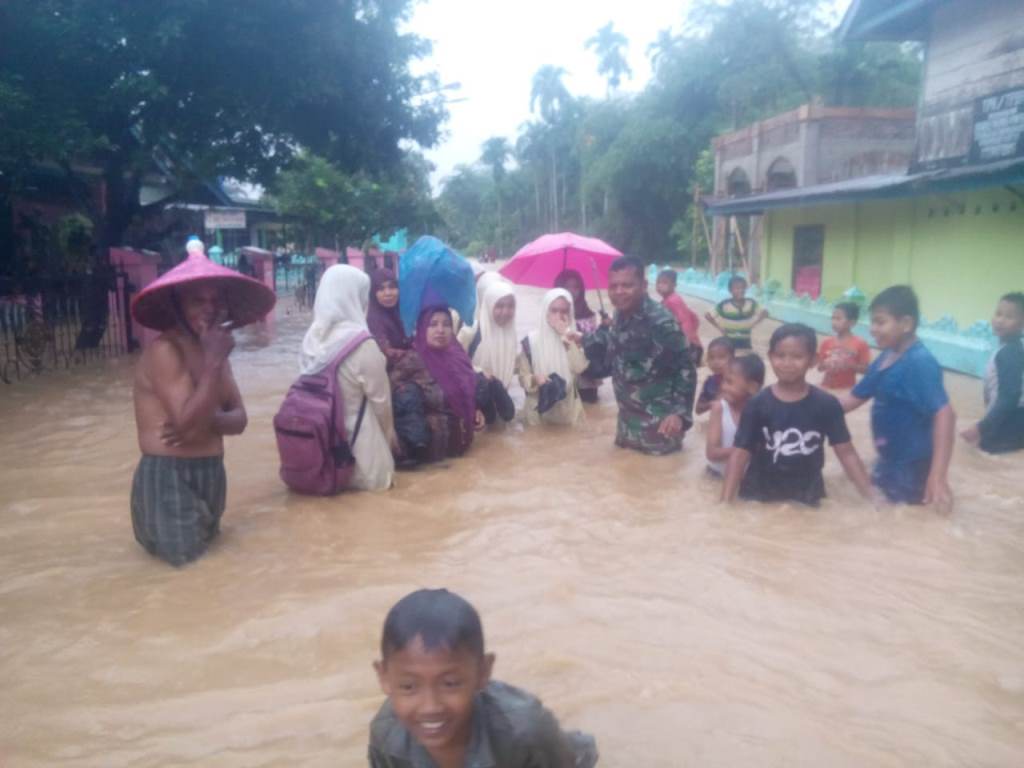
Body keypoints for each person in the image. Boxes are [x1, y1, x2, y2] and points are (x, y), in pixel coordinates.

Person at [130, 237, 275, 566]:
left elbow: (239, 420)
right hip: (169, 478)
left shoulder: (216, 349)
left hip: (211, 473)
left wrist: (204, 420)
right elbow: (186, 425)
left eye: (214, 301)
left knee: (209, 568)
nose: (208, 309)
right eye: (197, 301)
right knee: (187, 573)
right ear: (177, 306)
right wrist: (210, 369)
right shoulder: (165, 351)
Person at [369, 588, 598, 768]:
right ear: (384, 678)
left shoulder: (526, 730)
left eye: (450, 684)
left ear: (483, 672)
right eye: (409, 686)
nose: (430, 706)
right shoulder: (386, 734)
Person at [722, 323, 875, 506]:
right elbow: (740, 454)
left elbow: (847, 453)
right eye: (780, 356)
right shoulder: (757, 405)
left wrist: (872, 499)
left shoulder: (826, 405)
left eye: (797, 356)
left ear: (813, 360)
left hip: (807, 495)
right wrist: (725, 503)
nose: (787, 363)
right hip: (760, 495)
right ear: (770, 357)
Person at [842, 286, 956, 509]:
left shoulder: (919, 362)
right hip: (888, 462)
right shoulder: (886, 357)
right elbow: (851, 400)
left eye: (880, 322)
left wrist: (938, 476)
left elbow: (945, 414)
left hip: (912, 468)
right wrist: (806, 402)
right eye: (872, 322)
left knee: (902, 520)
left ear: (906, 323)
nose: (872, 329)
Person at [583, 256, 696, 455]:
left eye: (627, 285)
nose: (619, 292)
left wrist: (679, 414)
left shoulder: (661, 323)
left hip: (658, 430)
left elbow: (686, 367)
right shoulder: (619, 315)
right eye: (613, 286)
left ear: (643, 285)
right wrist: (583, 340)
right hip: (626, 425)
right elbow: (615, 352)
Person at [299, 264, 396, 491]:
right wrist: (391, 441)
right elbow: (382, 406)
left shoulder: (311, 339)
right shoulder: (362, 344)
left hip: (321, 459)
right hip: (364, 463)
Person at [390, 307, 485, 465]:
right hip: (428, 458)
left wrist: (476, 409)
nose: (440, 330)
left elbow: (466, 390)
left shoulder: (458, 357)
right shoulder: (411, 360)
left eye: (446, 324)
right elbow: (390, 401)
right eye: (433, 324)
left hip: (459, 453)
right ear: (422, 328)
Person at [961, 292, 1024, 454]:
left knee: (984, 451)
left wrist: (980, 428)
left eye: (1009, 317)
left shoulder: (1009, 353)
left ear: (1021, 324)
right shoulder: (1009, 349)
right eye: (998, 314)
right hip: (1011, 420)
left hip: (1009, 423)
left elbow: (1009, 398)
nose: (1000, 320)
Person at [517, 288, 589, 426]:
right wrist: (535, 379)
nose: (559, 316)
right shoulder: (530, 342)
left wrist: (566, 339)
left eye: (564, 311)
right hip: (538, 413)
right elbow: (522, 378)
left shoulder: (576, 338)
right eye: (554, 310)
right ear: (545, 312)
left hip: (569, 412)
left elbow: (580, 368)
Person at [457, 279, 517, 423]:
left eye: (510, 306)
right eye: (500, 306)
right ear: (489, 305)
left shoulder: (511, 335)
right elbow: (454, 363)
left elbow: (514, 369)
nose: (506, 312)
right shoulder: (471, 331)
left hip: (499, 404)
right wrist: (479, 373)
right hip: (473, 406)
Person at [706, 354, 765, 476]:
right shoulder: (719, 408)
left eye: (729, 382)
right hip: (716, 475)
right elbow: (711, 453)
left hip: (746, 479)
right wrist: (745, 450)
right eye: (723, 380)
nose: (723, 386)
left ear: (752, 387)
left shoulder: (763, 411)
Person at [555, 269, 604, 403]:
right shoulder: (552, 314)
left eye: (576, 287)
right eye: (567, 286)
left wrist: (604, 327)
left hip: (586, 377)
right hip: (562, 376)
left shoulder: (590, 315)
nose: (572, 290)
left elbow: (596, 345)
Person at [705, 274, 768, 353]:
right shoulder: (724, 305)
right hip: (729, 341)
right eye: (737, 288)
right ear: (730, 290)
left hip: (745, 342)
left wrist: (754, 323)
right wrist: (719, 328)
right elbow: (708, 315)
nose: (740, 290)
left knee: (745, 361)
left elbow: (765, 313)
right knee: (730, 360)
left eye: (743, 288)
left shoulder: (751, 303)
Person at [655, 269, 703, 365]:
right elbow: (694, 318)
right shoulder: (669, 300)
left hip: (687, 347)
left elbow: (685, 321)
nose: (660, 285)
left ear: (674, 285)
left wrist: (688, 341)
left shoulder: (673, 301)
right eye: (658, 282)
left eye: (664, 282)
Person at [818, 302, 871, 390]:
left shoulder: (861, 344)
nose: (834, 322)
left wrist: (850, 365)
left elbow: (866, 370)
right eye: (833, 318)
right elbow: (820, 368)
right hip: (826, 387)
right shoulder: (827, 342)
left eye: (838, 319)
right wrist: (827, 363)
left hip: (847, 389)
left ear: (852, 323)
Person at [367, 268, 413, 367]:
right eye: (381, 289)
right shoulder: (373, 319)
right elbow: (386, 352)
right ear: (373, 293)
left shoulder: (403, 311)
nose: (388, 293)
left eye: (392, 287)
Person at [695, 337, 734, 416]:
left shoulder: (739, 380)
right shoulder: (709, 382)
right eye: (711, 358)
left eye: (721, 357)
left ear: (733, 358)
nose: (715, 362)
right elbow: (698, 409)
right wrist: (714, 402)